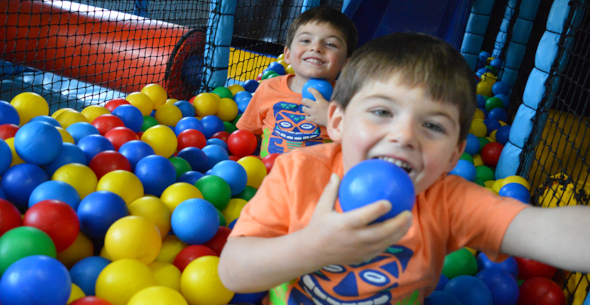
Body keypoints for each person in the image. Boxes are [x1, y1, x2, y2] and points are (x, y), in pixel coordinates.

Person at [219, 32, 590, 303]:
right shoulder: (297, 172)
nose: (404, 135)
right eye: (382, 112)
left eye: (433, 126)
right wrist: (312, 247)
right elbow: (232, 271)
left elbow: (539, 228)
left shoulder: (448, 200)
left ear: (453, 156)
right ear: (337, 122)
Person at [236, 6, 358, 158]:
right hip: (269, 175)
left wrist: (331, 119)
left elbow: (360, 142)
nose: (316, 48)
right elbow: (245, 136)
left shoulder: (348, 97)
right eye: (306, 40)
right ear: (287, 54)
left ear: (346, 63)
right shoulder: (269, 87)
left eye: (330, 44)